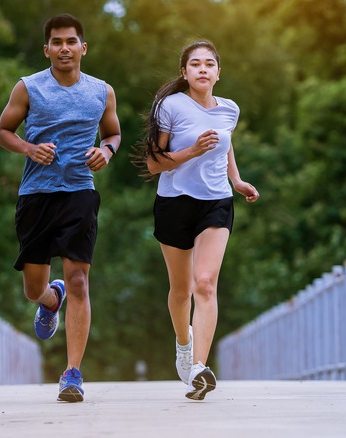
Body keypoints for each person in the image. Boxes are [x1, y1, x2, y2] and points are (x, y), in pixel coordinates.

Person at [0, 13, 121, 403]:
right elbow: (2, 132)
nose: (64, 48)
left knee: (81, 280)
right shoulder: (28, 88)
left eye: (71, 41)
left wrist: (106, 150)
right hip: (36, 195)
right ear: (47, 48)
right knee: (33, 288)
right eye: (56, 42)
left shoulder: (102, 91)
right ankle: (52, 299)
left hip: (79, 193)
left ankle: (72, 374)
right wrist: (30, 148)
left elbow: (113, 132)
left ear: (83, 47)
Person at [134, 41, 259, 400]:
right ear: (184, 73)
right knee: (181, 290)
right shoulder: (170, 106)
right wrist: (192, 150)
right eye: (195, 64)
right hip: (174, 203)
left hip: (216, 202)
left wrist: (236, 181)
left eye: (209, 64)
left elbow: (226, 143)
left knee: (205, 284)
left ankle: (199, 369)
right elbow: (155, 164)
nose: (202, 69)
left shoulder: (229, 109)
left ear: (219, 72)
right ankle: (184, 345)